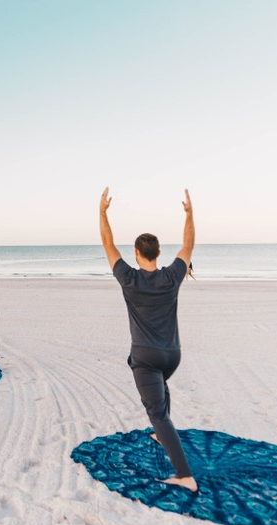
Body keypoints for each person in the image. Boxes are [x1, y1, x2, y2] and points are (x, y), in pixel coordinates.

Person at [99, 187, 198, 492]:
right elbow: (188, 244)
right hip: (172, 356)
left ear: (137, 254)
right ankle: (160, 433)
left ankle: (184, 475)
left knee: (156, 412)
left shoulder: (129, 278)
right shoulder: (172, 276)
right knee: (160, 394)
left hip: (146, 358)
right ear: (158, 253)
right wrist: (190, 214)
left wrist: (102, 213)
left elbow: (107, 243)